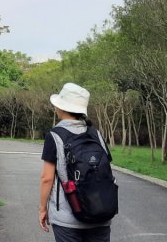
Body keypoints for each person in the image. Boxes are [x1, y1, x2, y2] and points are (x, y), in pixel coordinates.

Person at [38, 82, 112, 242]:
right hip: (100, 213)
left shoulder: (55, 135)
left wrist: (43, 208)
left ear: (62, 108)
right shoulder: (96, 134)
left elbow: (47, 178)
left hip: (67, 219)